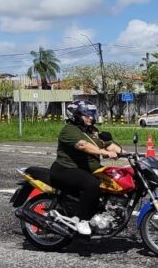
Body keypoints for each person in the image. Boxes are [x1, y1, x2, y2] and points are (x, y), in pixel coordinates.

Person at [50, 100, 121, 235]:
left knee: (112, 181)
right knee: (92, 184)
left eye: (92, 114)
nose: (91, 117)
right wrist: (105, 153)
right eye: (86, 114)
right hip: (65, 170)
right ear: (75, 115)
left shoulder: (92, 131)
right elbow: (83, 145)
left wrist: (125, 152)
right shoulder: (69, 130)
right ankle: (82, 220)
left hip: (86, 170)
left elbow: (108, 144)